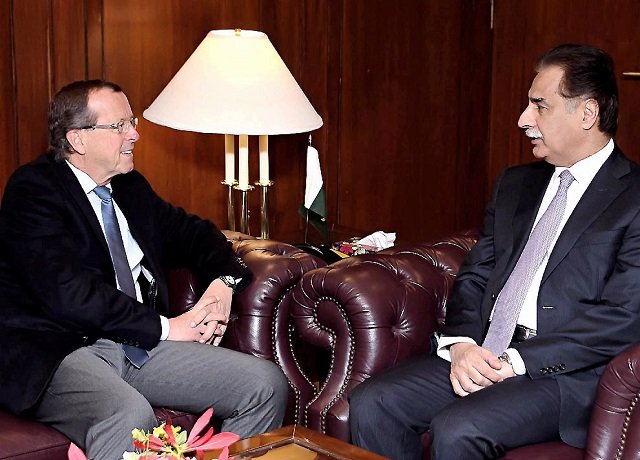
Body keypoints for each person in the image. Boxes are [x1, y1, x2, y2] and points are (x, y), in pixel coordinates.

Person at [349, 44, 640, 459]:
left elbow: (624, 317)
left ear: (588, 114)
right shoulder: (516, 184)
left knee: (458, 429)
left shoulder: (633, 198)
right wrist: (463, 344)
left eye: (540, 106)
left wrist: (518, 360)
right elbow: (475, 275)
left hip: (563, 374)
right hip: (485, 350)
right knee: (373, 403)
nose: (524, 119)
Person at [0, 80, 288, 460]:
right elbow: (70, 295)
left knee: (264, 383)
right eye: (119, 125)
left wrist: (224, 282)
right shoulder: (33, 191)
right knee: (128, 416)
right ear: (78, 139)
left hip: (138, 344)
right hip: (62, 350)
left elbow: (197, 234)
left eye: (131, 121)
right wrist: (172, 327)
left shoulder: (129, 187)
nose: (134, 134)